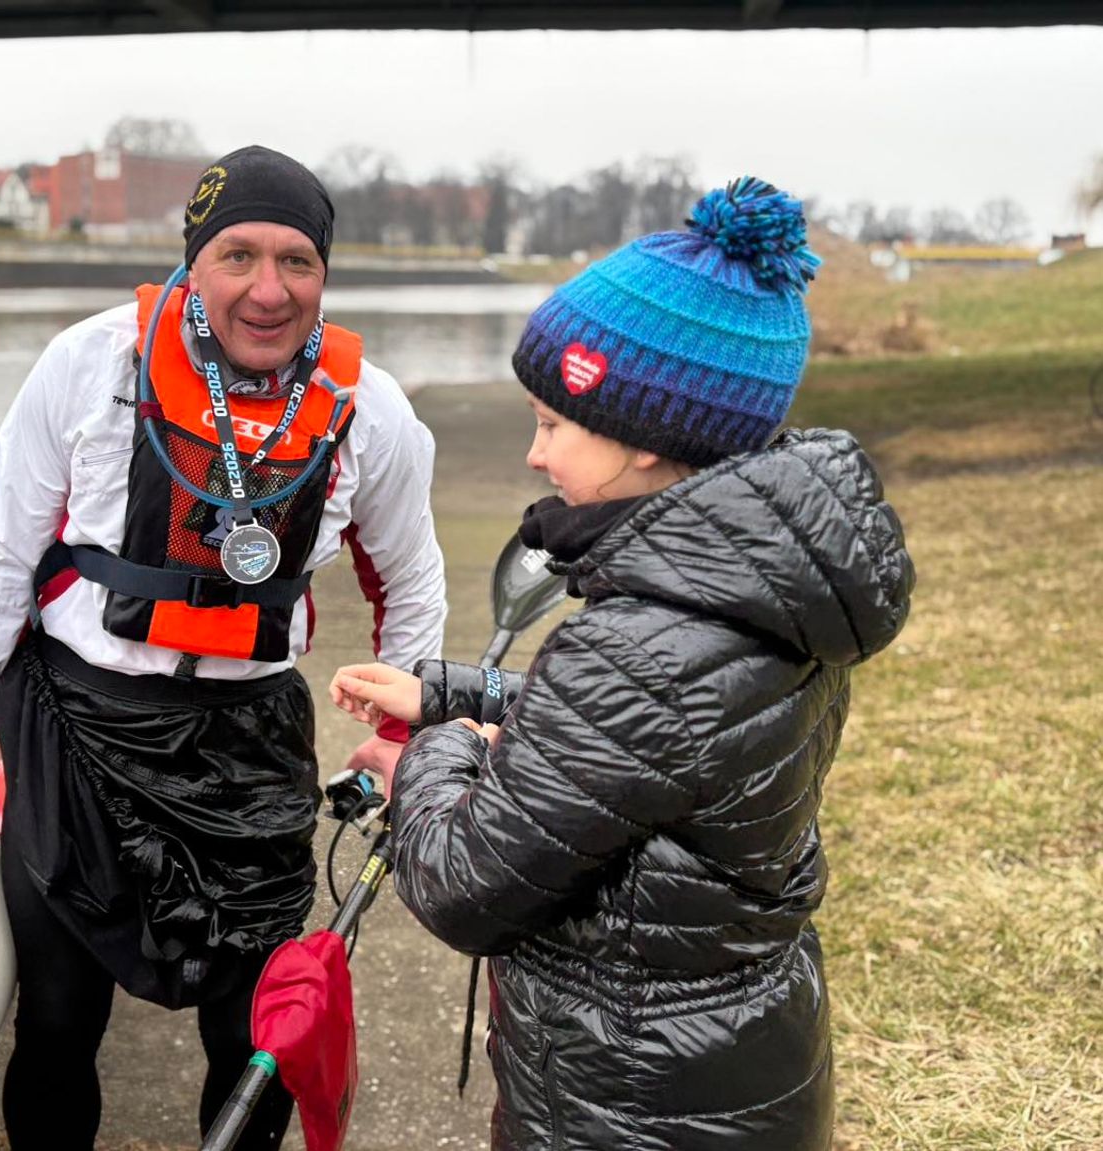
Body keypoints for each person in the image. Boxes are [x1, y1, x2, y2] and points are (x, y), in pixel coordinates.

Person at [331, 178, 915, 1151]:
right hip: (738, 1049)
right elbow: (669, 735)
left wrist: (429, 756)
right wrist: (454, 693)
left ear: (645, 439)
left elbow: (465, 884)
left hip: (627, 1088)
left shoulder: (646, 640)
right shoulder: (763, 582)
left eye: (553, 422)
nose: (530, 453)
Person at [0, 145, 447, 1150]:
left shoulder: (376, 413)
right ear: (194, 259)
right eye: (238, 256)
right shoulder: (87, 362)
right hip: (78, 727)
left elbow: (408, 577)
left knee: (254, 1038)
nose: (268, 291)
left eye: (298, 262)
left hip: (249, 743)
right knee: (59, 1019)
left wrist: (405, 735)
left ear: (327, 272)